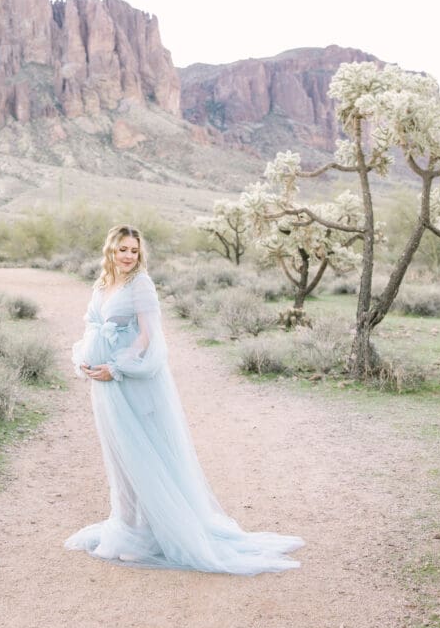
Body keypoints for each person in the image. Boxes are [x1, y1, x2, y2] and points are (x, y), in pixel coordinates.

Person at [64, 225, 304, 574]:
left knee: (142, 455)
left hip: (128, 380)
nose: (129, 256)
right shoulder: (103, 284)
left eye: (134, 250)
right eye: (123, 250)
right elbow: (92, 327)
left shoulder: (140, 285)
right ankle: (128, 529)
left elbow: (148, 337)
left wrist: (115, 367)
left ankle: (153, 536)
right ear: (111, 252)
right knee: (118, 459)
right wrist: (85, 361)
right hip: (102, 385)